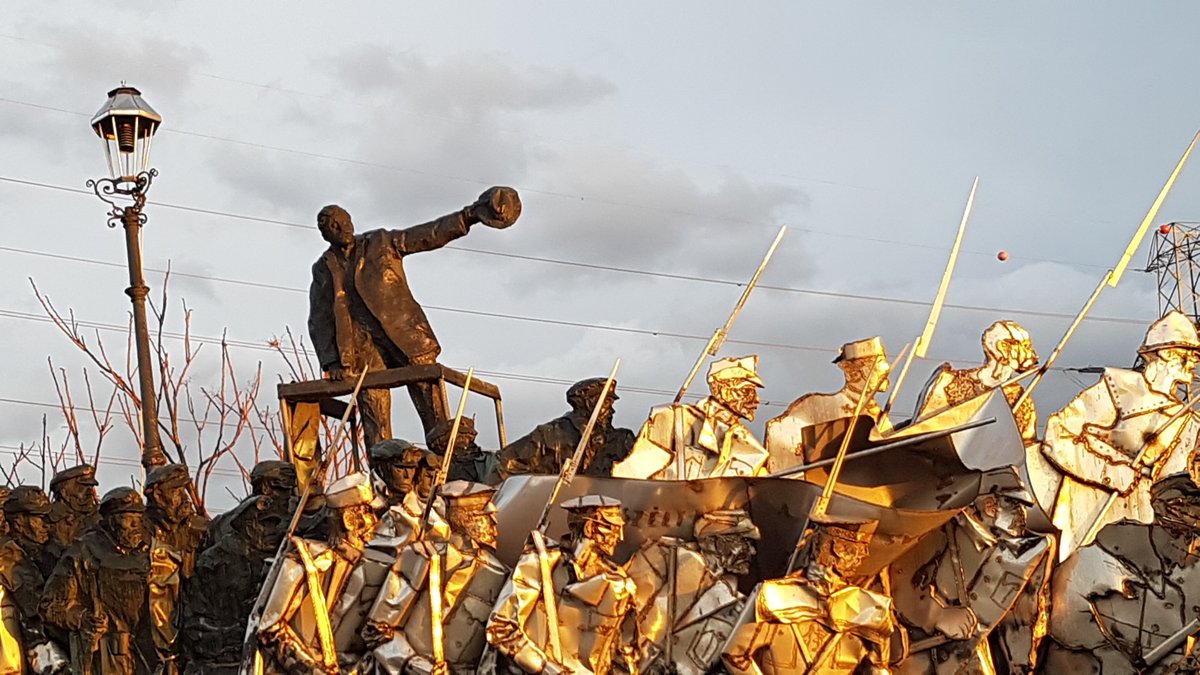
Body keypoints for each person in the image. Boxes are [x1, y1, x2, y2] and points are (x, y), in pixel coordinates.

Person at [307, 188, 522, 446]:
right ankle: (382, 478)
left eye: (345, 220)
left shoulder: (381, 242)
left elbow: (428, 234)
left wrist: (469, 216)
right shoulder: (323, 268)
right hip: (363, 351)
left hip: (406, 337)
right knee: (374, 421)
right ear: (325, 233)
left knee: (434, 413)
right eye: (334, 225)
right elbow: (319, 318)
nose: (343, 226)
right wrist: (331, 362)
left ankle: (450, 470)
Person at [1039, 310, 1200, 558]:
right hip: (1089, 503)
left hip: (1139, 515)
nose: (1194, 363)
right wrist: (1109, 472)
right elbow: (1056, 437)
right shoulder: (1118, 388)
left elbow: (1173, 482)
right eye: (1190, 354)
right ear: (1167, 353)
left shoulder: (1187, 421)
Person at [890, 473, 1053, 673]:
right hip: (915, 658)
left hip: (965, 658)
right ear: (990, 506)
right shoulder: (942, 527)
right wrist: (937, 615)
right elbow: (900, 578)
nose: (1022, 517)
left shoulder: (1010, 554)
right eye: (1014, 507)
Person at [1043, 473, 1200, 673]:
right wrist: (1110, 657)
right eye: (1190, 538)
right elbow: (1064, 614)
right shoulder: (1110, 552)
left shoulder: (1190, 574)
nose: (1193, 548)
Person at [362, 481, 512, 674]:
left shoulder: (499, 575)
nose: (494, 524)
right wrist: (415, 665)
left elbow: (492, 653)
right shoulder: (420, 557)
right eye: (484, 517)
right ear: (463, 519)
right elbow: (377, 630)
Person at [722, 515, 896, 675]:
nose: (854, 560)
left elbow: (877, 666)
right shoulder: (774, 597)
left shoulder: (871, 610)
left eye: (856, 554)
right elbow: (734, 655)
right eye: (843, 551)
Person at [486, 495, 639, 675]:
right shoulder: (541, 564)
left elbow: (624, 652)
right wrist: (546, 668)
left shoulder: (619, 585)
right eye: (612, 528)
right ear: (590, 528)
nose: (619, 537)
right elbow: (500, 628)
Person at [254, 472, 383, 674]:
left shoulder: (375, 567)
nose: (377, 522)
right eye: (370, 513)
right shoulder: (304, 560)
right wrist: (312, 670)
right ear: (350, 519)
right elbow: (271, 628)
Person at [179, 461, 297, 674]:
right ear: (267, 487)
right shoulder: (222, 538)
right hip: (228, 654)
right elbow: (195, 619)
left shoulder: (294, 534)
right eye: (283, 488)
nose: (289, 495)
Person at [625, 509, 759, 675]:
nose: (751, 550)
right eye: (743, 541)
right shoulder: (669, 557)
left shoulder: (739, 605)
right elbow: (630, 603)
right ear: (716, 540)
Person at [40, 487, 152, 675]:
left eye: (139, 517)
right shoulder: (82, 553)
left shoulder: (153, 552)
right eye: (127, 517)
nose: (135, 524)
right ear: (110, 521)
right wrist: (82, 618)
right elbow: (49, 605)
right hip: (103, 659)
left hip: (148, 657)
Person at [613, 356, 770, 480]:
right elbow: (633, 475)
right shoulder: (673, 419)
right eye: (747, 391)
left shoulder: (751, 447)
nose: (756, 400)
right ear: (721, 390)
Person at [765, 337, 892, 470]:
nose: (887, 371)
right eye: (880, 367)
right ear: (862, 370)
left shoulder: (880, 416)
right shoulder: (813, 407)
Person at [913, 320, 1039, 446]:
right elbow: (921, 429)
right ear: (1004, 347)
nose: (1033, 355)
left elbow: (1025, 445)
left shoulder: (1021, 400)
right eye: (1025, 346)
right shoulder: (949, 382)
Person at [143, 464, 209, 673]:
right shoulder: (139, 532)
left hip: (194, 636)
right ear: (157, 495)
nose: (185, 498)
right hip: (148, 644)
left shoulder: (200, 529)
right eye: (176, 491)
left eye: (184, 490)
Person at [498, 378, 635, 477]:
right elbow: (505, 463)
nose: (612, 411)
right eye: (607, 404)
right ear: (589, 403)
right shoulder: (548, 435)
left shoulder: (621, 440)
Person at [0, 487, 68, 674]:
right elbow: (36, 613)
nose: (48, 525)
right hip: (20, 654)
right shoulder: (8, 557)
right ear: (19, 522)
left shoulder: (52, 552)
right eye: (39, 519)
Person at [368, 440, 449, 544]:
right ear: (382, 468)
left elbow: (442, 534)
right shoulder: (364, 496)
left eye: (411, 469)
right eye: (400, 469)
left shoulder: (417, 505)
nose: (407, 476)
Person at [44, 464, 100, 561]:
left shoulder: (99, 519)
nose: (89, 493)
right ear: (64, 492)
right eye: (82, 488)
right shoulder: (45, 519)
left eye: (91, 488)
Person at [426, 418, 502, 486]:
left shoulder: (486, 461)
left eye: (467, 437)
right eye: (460, 437)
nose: (464, 441)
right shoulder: (439, 464)